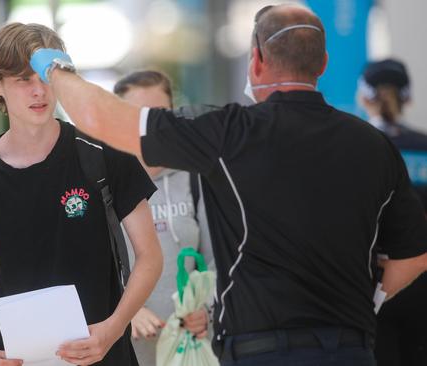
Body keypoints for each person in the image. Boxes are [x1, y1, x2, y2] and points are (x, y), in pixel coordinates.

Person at [29, 4, 427, 365]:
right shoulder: (373, 145)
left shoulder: (227, 133)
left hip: (260, 352)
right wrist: (369, 300)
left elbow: (103, 119)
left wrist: (54, 68)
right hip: (349, 351)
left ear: (255, 60)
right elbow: (414, 256)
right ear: (322, 63)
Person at [0, 23, 162, 366]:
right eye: (23, 80)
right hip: (21, 359)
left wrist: (113, 328)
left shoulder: (104, 154)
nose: (38, 91)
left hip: (105, 355)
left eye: (46, 78)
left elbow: (150, 257)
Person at [113, 70, 216, 365]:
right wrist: (126, 311)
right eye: (138, 114)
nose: (149, 125)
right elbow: (89, 267)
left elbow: (216, 260)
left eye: (158, 114)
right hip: (128, 351)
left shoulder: (196, 179)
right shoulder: (106, 183)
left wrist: (206, 310)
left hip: (188, 350)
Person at [358, 58, 427, 366]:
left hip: (371, 285)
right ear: (408, 97)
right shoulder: (423, 147)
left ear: (364, 97)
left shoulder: (355, 145)